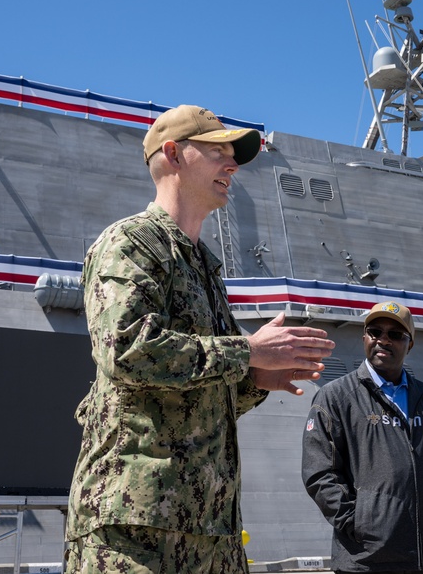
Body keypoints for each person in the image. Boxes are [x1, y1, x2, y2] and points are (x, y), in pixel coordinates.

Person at [65, 105, 336, 574]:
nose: (232, 165)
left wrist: (255, 380)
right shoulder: (131, 244)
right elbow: (126, 350)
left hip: (211, 527)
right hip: (136, 528)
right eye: (217, 152)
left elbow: (201, 388)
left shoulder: (205, 267)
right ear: (172, 154)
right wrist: (248, 351)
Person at [301, 301, 423, 573]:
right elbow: (319, 473)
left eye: (395, 335)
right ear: (364, 337)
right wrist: (359, 524)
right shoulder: (336, 397)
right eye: (375, 331)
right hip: (367, 560)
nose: (383, 340)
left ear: (410, 344)